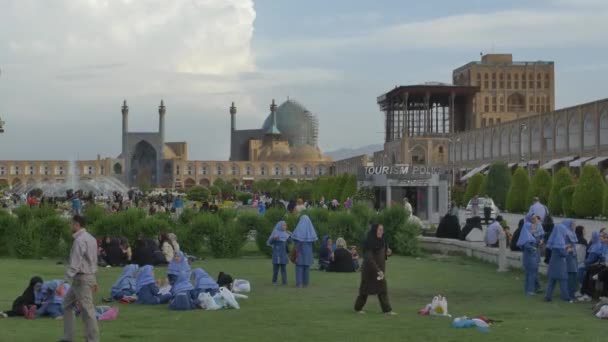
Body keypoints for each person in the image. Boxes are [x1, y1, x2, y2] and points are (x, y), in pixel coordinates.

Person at [60, 215, 99, 342]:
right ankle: (68, 337)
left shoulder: (79, 240)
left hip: (81, 278)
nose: (70, 226)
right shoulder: (91, 239)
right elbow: (93, 261)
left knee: (87, 311)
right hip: (87, 277)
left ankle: (92, 340)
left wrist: (64, 281)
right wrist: (94, 279)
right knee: (67, 304)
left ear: (77, 224)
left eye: (71, 224)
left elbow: (75, 264)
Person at [354, 224, 396, 315]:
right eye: (380, 230)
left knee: (382, 289)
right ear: (374, 230)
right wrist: (378, 271)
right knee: (364, 291)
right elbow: (369, 259)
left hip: (379, 271)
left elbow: (383, 252)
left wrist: (388, 252)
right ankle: (358, 308)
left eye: (382, 230)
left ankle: (387, 310)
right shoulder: (369, 242)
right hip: (369, 271)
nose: (382, 232)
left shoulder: (382, 240)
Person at [544, 222, 573, 302]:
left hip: (553, 264)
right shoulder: (560, 241)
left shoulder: (555, 239)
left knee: (551, 282)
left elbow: (559, 249)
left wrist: (565, 247)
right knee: (563, 281)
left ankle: (547, 297)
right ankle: (566, 297)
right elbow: (563, 253)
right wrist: (569, 250)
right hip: (560, 265)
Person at [291, 215, 318, 288]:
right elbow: (314, 241)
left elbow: (295, 239)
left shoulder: (299, 228)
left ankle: (299, 284)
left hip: (300, 251)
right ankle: (306, 283)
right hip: (308, 252)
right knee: (306, 268)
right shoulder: (310, 229)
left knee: (299, 267)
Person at [517, 223, 540, 296]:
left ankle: (527, 290)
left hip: (527, 258)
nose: (534, 230)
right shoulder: (528, 237)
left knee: (528, 275)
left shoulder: (526, 236)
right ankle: (530, 291)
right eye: (533, 229)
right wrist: (534, 248)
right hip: (531, 259)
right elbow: (527, 246)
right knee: (531, 275)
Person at [266, 220, 291, 285]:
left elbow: (290, 241)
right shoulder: (275, 232)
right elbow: (270, 242)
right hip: (276, 254)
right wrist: (274, 238)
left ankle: (284, 282)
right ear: (280, 226)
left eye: (286, 225)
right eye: (284, 225)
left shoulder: (286, 233)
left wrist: (289, 235)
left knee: (283, 269)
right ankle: (274, 281)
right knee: (275, 270)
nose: (285, 227)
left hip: (283, 254)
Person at [562, 219, 579, 300]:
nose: (574, 226)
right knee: (570, 275)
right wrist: (569, 248)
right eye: (573, 224)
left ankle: (571, 293)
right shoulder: (565, 234)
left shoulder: (572, 233)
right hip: (568, 257)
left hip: (573, 257)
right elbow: (564, 246)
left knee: (573, 275)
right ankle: (568, 294)